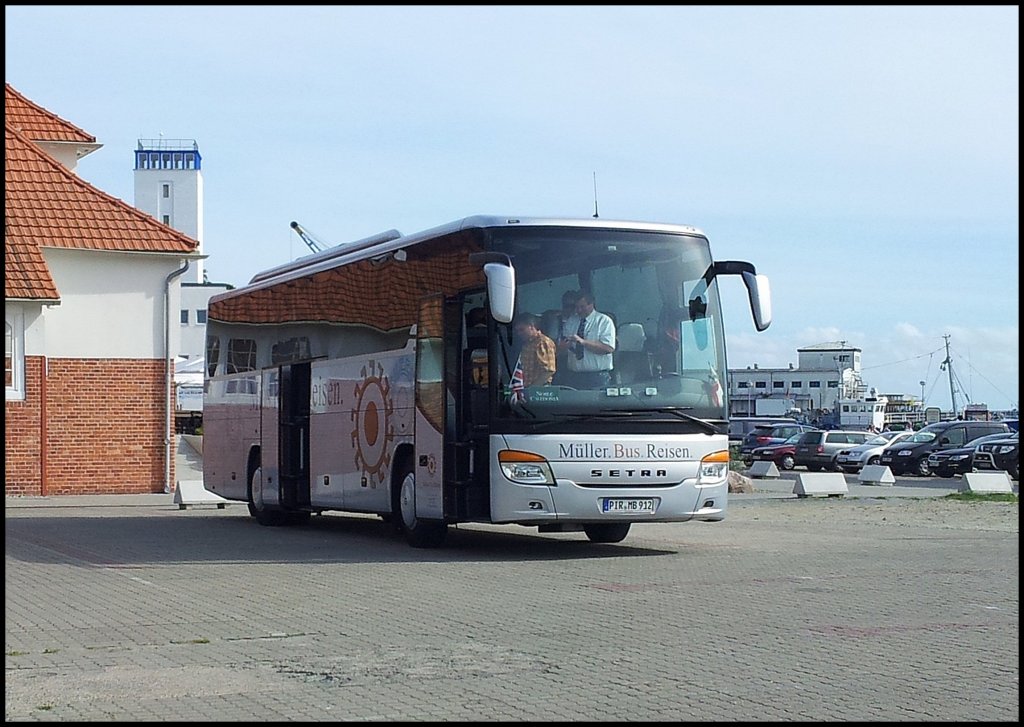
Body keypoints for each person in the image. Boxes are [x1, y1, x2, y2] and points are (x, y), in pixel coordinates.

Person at [555, 290, 615, 389]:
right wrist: (562, 347)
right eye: (576, 307)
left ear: (591, 304)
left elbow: (608, 348)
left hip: (597, 377)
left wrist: (582, 342)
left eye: (582, 307)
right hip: (574, 376)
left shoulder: (604, 321)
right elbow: (563, 350)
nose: (579, 310)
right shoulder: (571, 321)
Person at [512, 312, 557, 386]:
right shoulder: (527, 343)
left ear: (532, 326)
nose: (519, 333)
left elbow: (549, 371)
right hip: (526, 387)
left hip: (540, 389)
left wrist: (533, 388)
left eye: (522, 329)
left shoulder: (543, 342)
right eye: (517, 331)